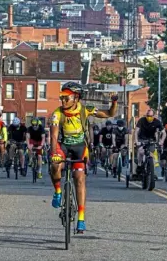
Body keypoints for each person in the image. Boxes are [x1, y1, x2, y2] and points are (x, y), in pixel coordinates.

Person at [49, 82, 118, 233]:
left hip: (80, 148)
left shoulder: (85, 110)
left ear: (76, 98)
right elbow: (53, 136)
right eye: (61, 97)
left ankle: (81, 218)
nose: (63, 100)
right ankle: (58, 191)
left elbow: (109, 114)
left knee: (79, 178)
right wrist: (54, 154)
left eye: (66, 97)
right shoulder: (57, 113)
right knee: (55, 166)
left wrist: (114, 102)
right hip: (63, 146)